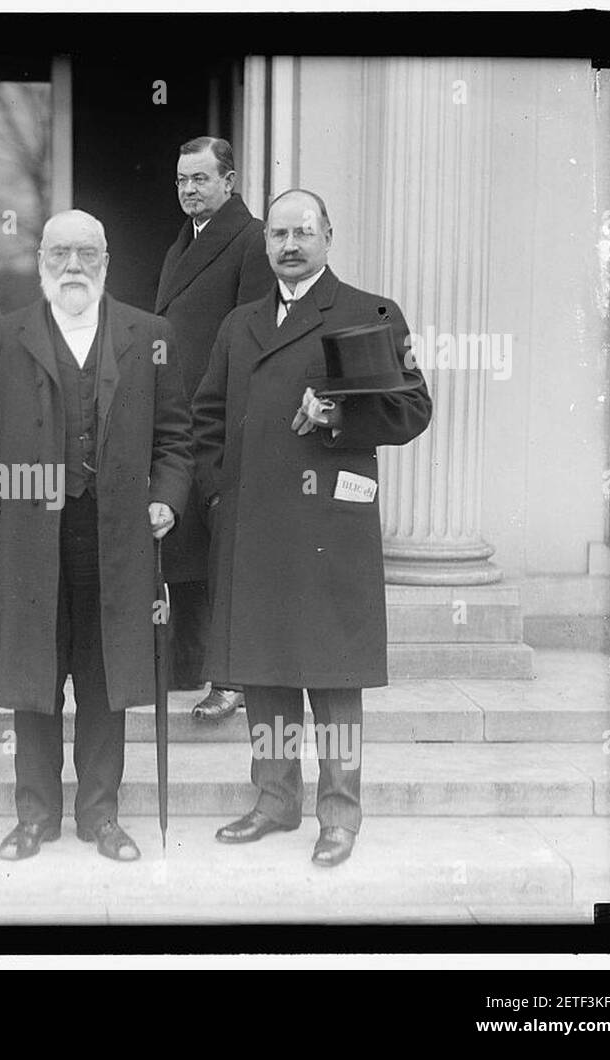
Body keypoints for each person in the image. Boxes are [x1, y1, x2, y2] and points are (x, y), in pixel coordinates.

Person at [191, 189, 432, 867]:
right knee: (263, 675)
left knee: (333, 677)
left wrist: (339, 420)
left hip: (330, 525)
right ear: (265, 243)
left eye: (303, 232)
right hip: (252, 527)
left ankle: (339, 816)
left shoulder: (372, 313)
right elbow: (206, 417)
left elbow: (414, 408)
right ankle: (274, 801)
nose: (290, 246)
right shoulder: (239, 324)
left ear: (329, 235)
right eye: (278, 235)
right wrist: (216, 497)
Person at [0, 209, 193, 863]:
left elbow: (177, 438)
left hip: (116, 539)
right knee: (34, 679)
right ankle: (35, 816)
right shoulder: (3, 337)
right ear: (40, 263)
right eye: (59, 253)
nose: (73, 265)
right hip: (30, 537)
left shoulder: (150, 335)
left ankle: (101, 815)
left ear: (107, 262)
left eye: (87, 253)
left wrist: (168, 499)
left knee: (103, 678)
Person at [154, 136, 274, 722]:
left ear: (229, 182)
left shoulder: (251, 240)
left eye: (200, 179)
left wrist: (233, 422)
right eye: (181, 181)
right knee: (186, 547)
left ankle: (233, 680)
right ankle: (189, 662)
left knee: (223, 554)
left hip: (219, 420)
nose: (188, 190)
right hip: (180, 416)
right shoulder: (184, 241)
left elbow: (253, 341)